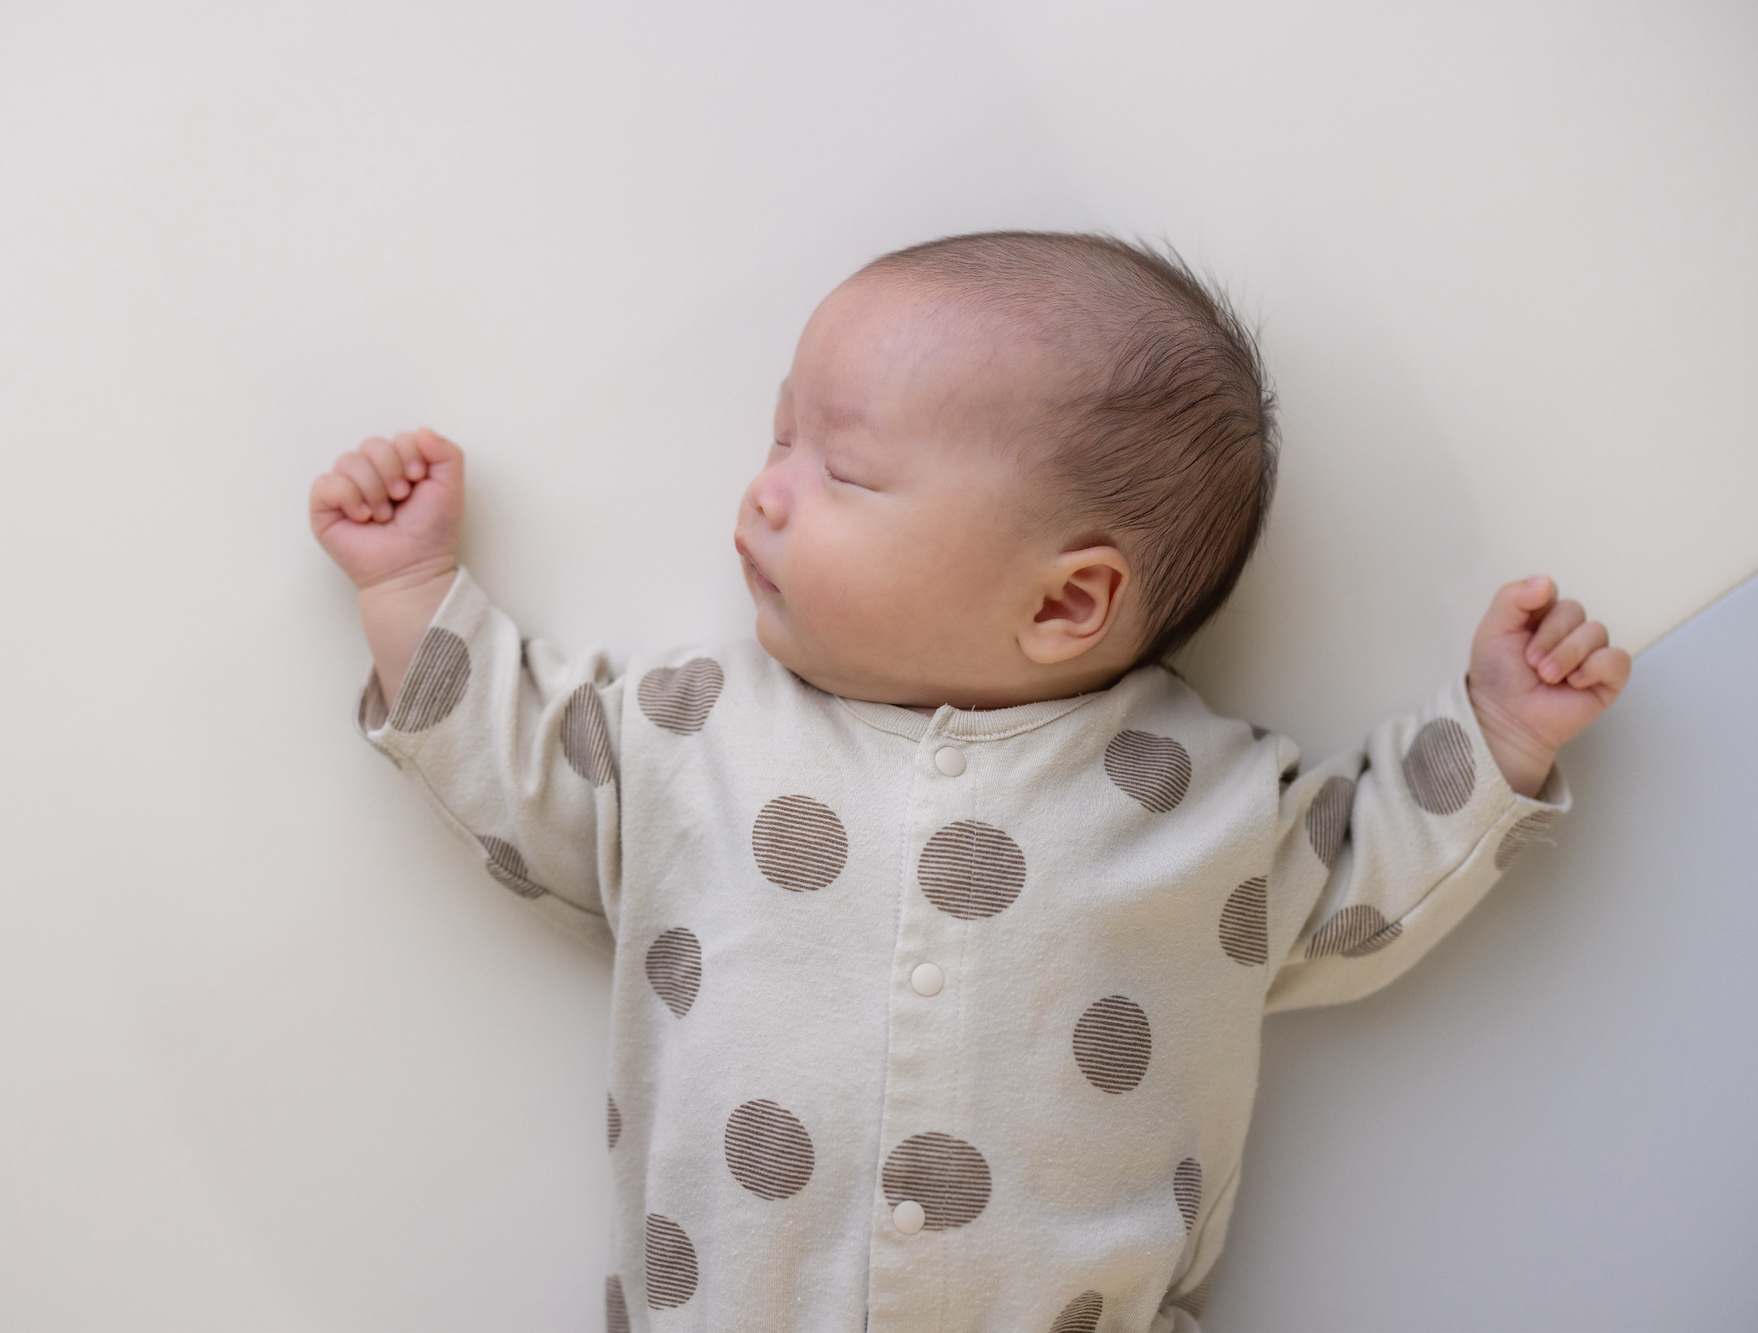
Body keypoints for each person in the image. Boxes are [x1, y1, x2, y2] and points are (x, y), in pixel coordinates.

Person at [309, 232, 1629, 1332]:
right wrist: (415, 590)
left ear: (1067, 602)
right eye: (777, 438)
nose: (763, 494)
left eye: (842, 470)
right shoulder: (692, 728)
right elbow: (529, 771)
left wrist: (1498, 737)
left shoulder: (1197, 799)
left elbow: (1359, 883)